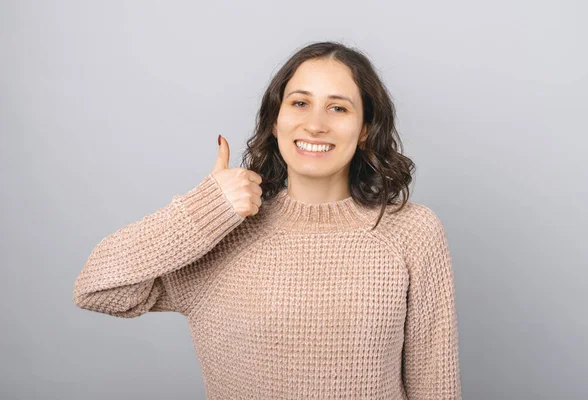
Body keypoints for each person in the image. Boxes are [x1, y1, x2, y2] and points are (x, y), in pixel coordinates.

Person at [73, 41, 462, 399]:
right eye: (299, 103)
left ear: (364, 130)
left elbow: (435, 385)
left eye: (338, 107)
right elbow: (96, 289)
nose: (316, 124)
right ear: (275, 122)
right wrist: (205, 207)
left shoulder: (411, 232)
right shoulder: (223, 233)